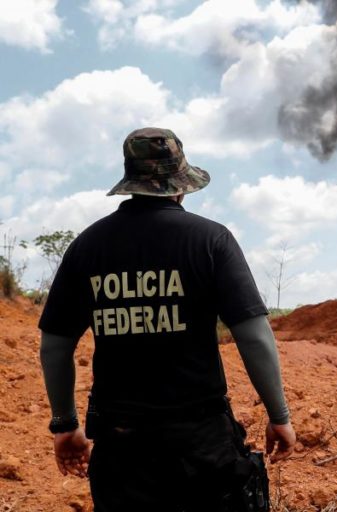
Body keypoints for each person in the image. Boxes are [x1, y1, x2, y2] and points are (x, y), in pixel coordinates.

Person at [39, 127, 296, 511]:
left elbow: (55, 345)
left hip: (120, 444)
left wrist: (64, 425)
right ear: (181, 185)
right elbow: (254, 336)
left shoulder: (87, 247)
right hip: (200, 443)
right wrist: (279, 416)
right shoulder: (211, 240)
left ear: (131, 182)